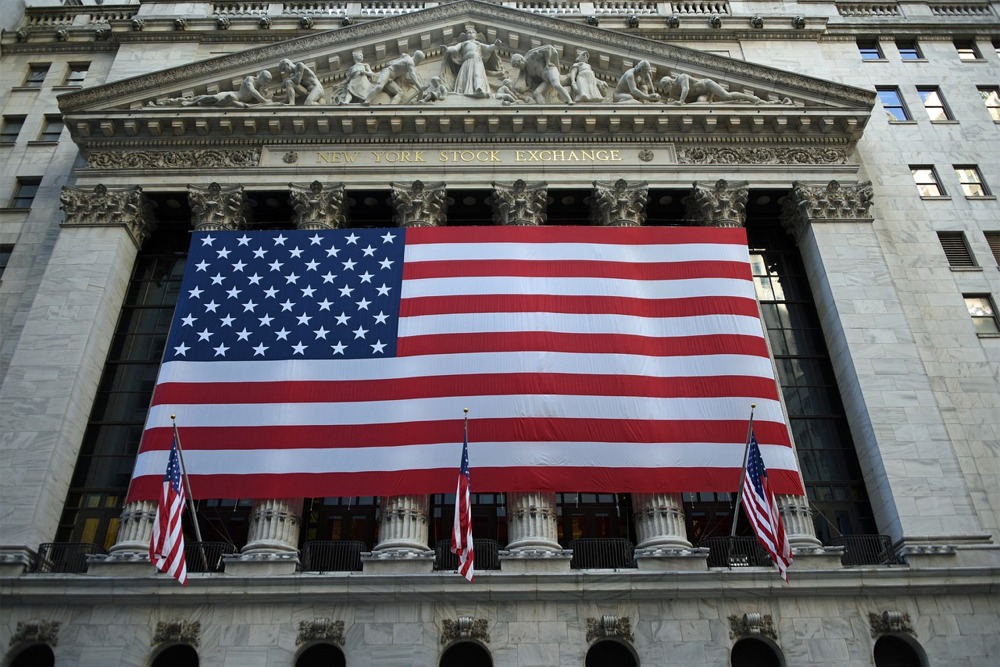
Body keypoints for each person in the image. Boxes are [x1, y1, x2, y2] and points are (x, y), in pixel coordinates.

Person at [440, 25, 502, 98]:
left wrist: (495, 45)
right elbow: (454, 48)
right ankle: (465, 90)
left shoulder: (478, 44)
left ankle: (479, 88)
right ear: (466, 35)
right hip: (467, 62)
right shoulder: (464, 43)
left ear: (476, 35)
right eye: (469, 32)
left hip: (477, 60)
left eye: (473, 32)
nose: (471, 33)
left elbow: (488, 48)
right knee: (465, 77)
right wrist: (447, 49)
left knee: (477, 74)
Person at [509, 44, 573, 105]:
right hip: (546, 79)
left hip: (550, 71)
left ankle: (570, 100)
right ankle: (544, 110)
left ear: (521, 60)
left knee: (556, 85)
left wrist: (548, 62)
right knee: (536, 93)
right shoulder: (526, 70)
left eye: (517, 65)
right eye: (516, 67)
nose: (518, 67)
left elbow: (547, 48)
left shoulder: (531, 56)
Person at [658, 72, 764, 104]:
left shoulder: (682, 77)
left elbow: (686, 89)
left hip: (707, 85)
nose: (665, 90)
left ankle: (751, 98)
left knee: (727, 96)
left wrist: (680, 101)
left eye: (664, 87)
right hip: (703, 94)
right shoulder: (672, 93)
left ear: (669, 83)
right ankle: (736, 102)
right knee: (700, 105)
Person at [181, 70, 273, 107]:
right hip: (234, 95)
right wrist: (264, 100)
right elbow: (252, 91)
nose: (266, 83)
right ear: (261, 77)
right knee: (214, 98)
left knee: (216, 104)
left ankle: (204, 105)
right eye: (266, 81)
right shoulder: (250, 79)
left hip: (236, 101)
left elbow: (259, 100)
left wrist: (264, 90)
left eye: (268, 82)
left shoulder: (261, 86)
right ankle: (191, 103)